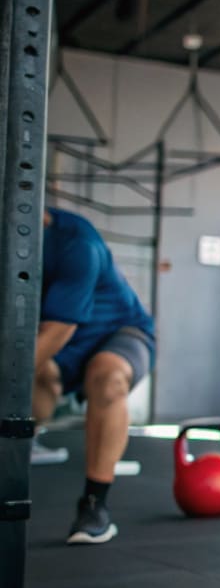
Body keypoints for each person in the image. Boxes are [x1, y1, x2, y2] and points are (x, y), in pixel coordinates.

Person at [33, 208, 156, 544]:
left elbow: (57, 331)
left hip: (118, 332)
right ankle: (26, 438)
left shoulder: (76, 242)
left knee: (107, 378)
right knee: (33, 389)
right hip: (60, 346)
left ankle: (94, 505)